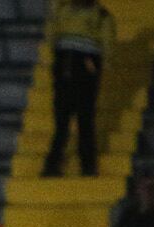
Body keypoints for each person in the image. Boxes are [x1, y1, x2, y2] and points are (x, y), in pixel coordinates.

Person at [41, 0, 114, 177]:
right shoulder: (62, 10)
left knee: (85, 119)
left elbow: (108, 43)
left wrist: (103, 65)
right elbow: (51, 35)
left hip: (85, 66)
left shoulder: (101, 14)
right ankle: (53, 166)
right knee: (62, 120)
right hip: (64, 63)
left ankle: (87, 166)